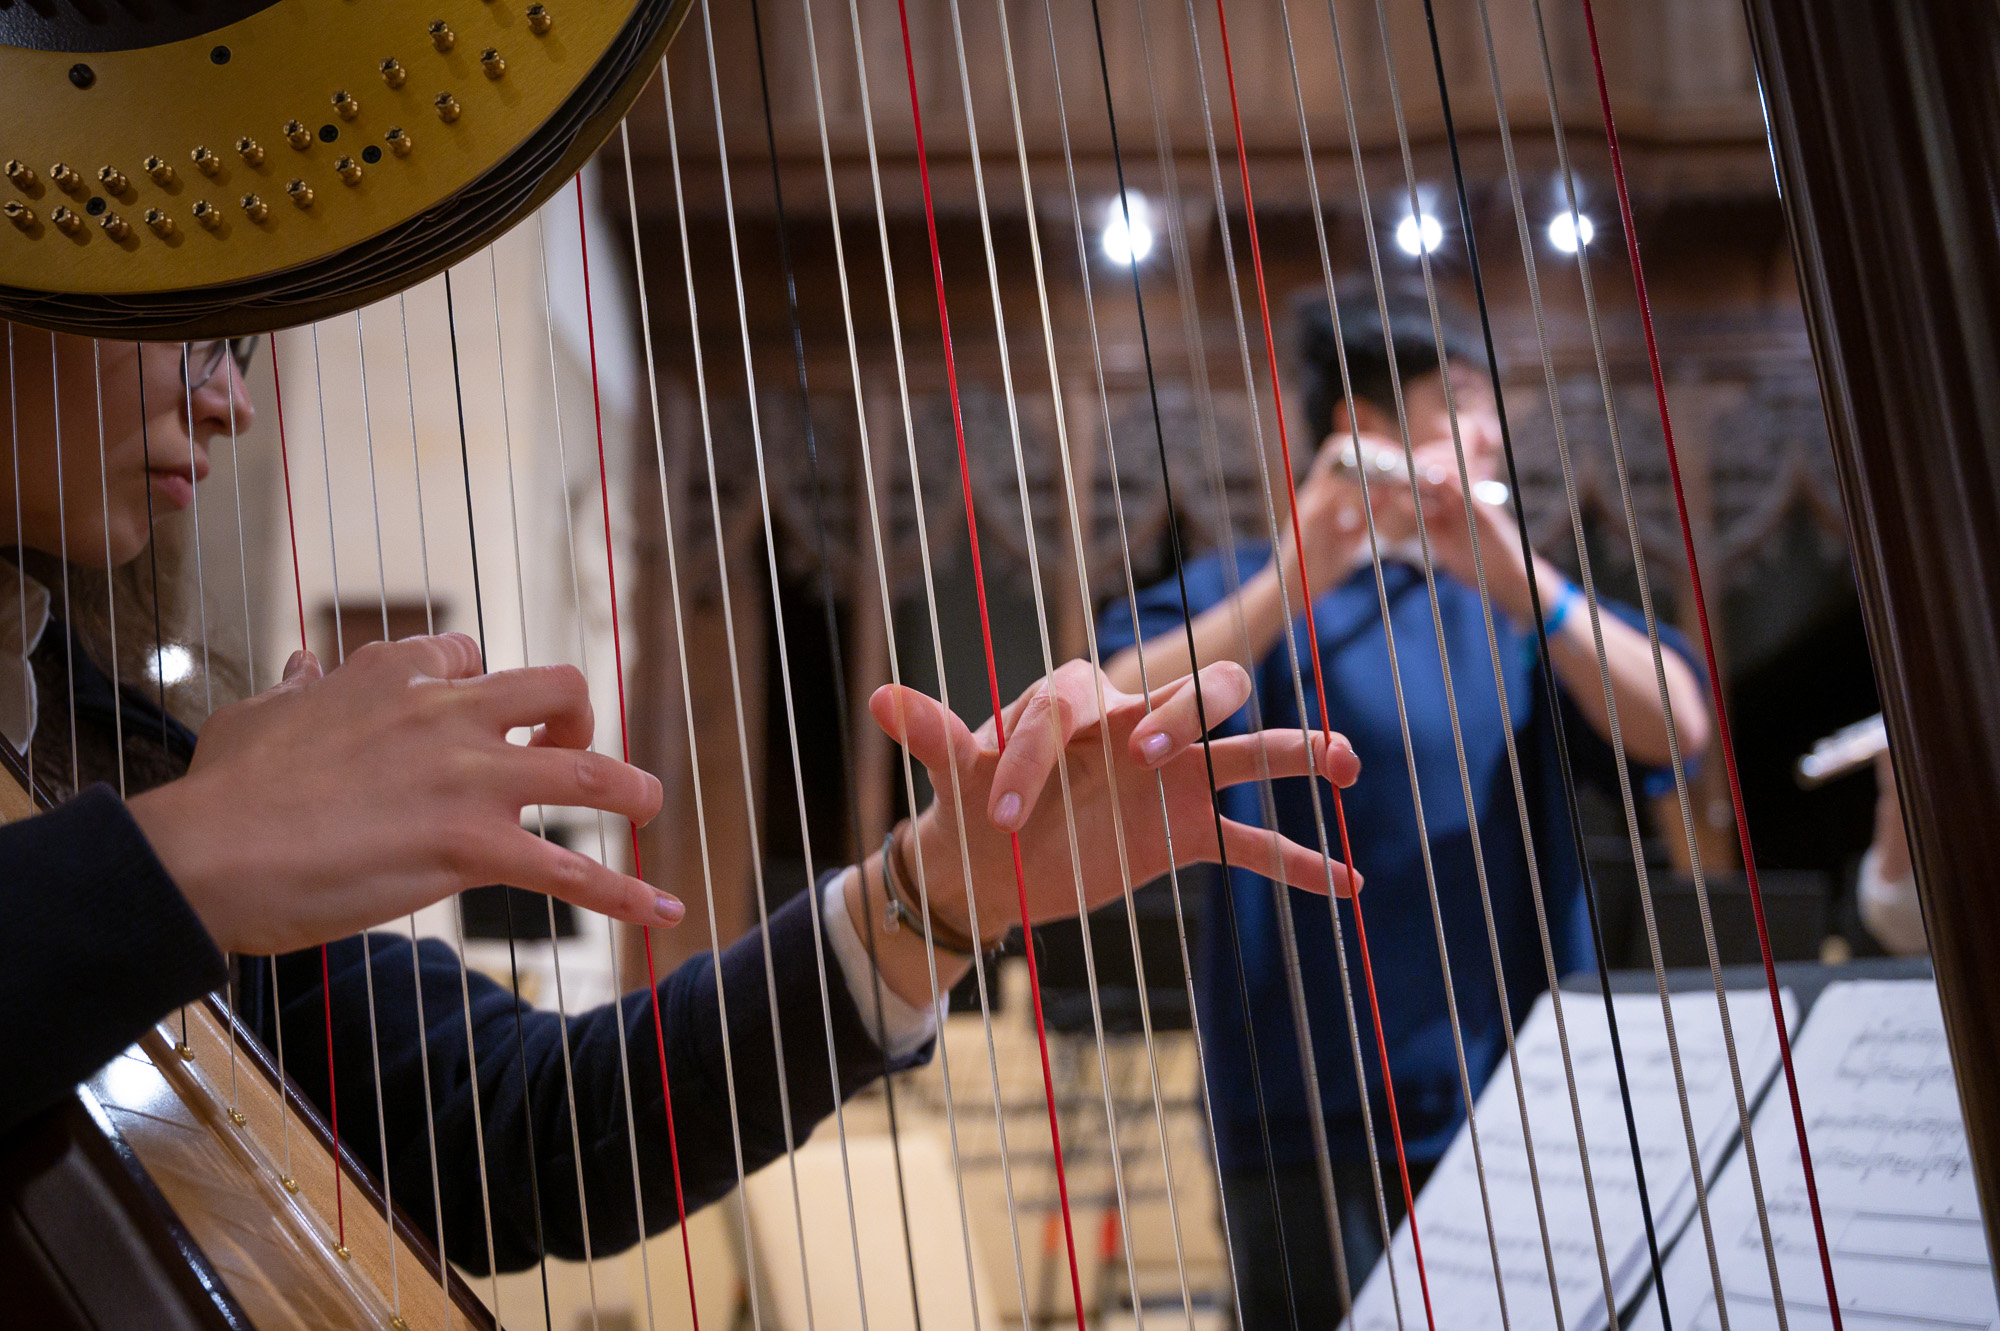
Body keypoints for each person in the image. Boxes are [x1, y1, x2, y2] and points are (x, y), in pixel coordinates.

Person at [0, 328, 1359, 1272]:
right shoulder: (173, 795)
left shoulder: (93, 725)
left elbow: (519, 1130)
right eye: (189, 327)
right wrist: (178, 854)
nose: (230, 402)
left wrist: (937, 898)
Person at [1096, 282, 1712, 1324]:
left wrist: (1523, 581)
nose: (1488, 434)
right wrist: (1291, 580)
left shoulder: (1517, 607)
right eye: (1459, 401)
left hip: (1518, 1104)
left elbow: (1679, 725)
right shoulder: (1250, 589)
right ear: (1364, 430)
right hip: (1297, 1116)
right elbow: (1115, 699)